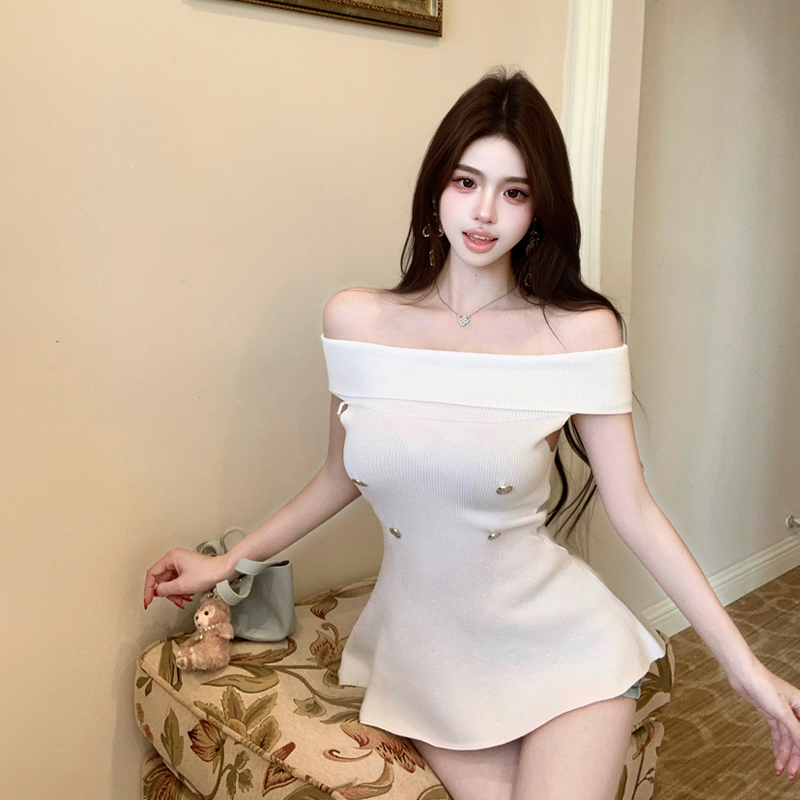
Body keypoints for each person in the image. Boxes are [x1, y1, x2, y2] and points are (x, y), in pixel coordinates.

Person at [144, 67, 800, 800]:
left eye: (514, 192)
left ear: (539, 209)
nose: (485, 211)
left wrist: (746, 669)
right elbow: (338, 476)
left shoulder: (579, 333)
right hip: (428, 658)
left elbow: (636, 510)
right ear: (436, 189)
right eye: (467, 182)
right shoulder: (357, 323)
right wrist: (226, 564)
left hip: (563, 645)